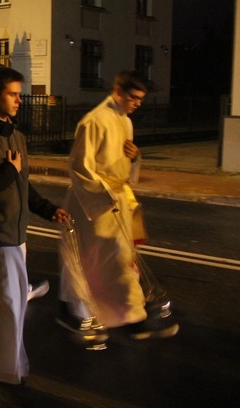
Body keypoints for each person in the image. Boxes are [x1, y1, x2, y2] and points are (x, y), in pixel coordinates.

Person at [0, 67, 70, 384]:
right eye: (13, 94)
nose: (20, 100)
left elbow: (22, 185)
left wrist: (48, 209)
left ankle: (8, 368)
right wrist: (7, 171)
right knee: (2, 308)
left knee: (14, 308)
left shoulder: (16, 136)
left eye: (20, 94)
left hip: (16, 234)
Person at [58, 70, 179, 341]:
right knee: (96, 261)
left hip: (117, 199)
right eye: (134, 97)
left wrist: (135, 157)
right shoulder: (94, 121)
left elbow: (122, 161)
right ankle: (92, 314)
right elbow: (78, 166)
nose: (137, 104)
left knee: (122, 260)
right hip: (96, 203)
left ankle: (129, 316)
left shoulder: (125, 120)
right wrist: (103, 196)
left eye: (141, 99)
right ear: (118, 91)